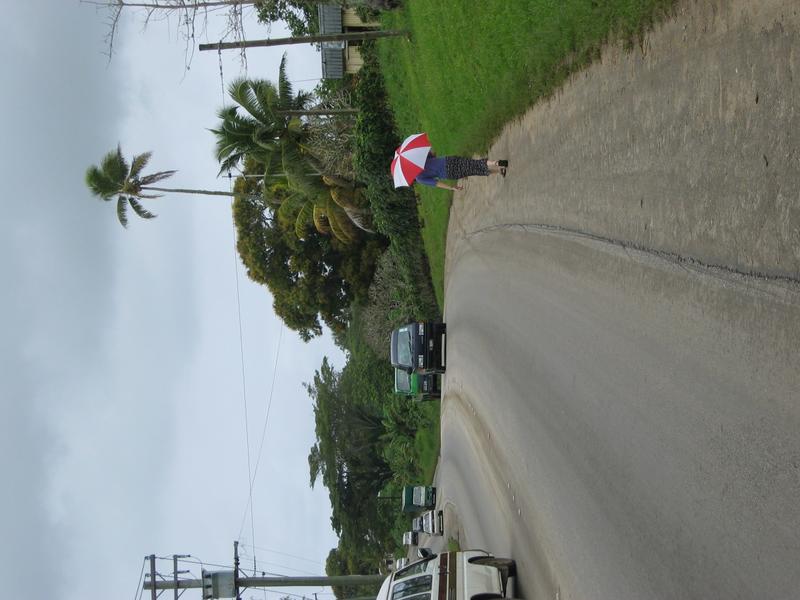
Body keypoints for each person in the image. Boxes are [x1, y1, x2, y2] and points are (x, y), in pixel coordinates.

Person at [415, 152, 508, 191]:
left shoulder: (419, 178)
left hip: (450, 173)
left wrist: (451, 187)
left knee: (475, 171)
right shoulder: (417, 158)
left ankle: (498, 168)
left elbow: (437, 183)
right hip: (448, 160)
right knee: (474, 163)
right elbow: (433, 154)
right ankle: (496, 164)